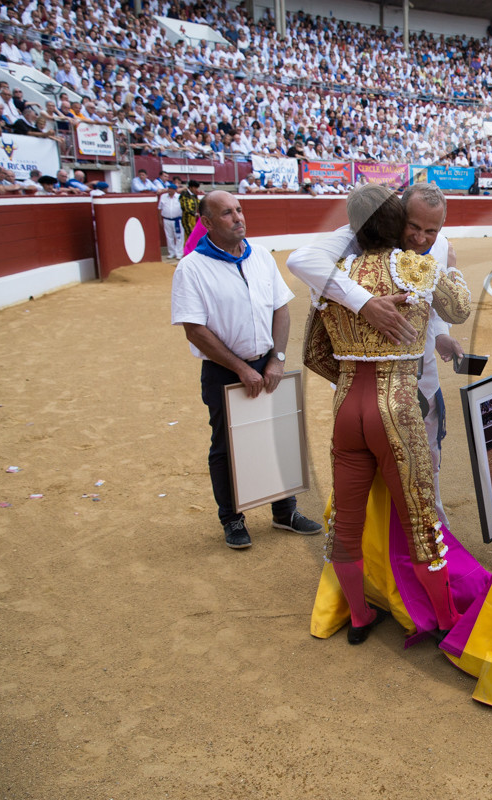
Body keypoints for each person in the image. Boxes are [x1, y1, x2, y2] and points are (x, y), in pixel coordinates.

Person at [315, 182, 472, 643]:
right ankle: (444, 619)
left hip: (347, 404)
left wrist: (350, 371)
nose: (423, 238)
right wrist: (454, 270)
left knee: (346, 522)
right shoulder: (417, 268)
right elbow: (459, 309)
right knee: (421, 521)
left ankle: (360, 615)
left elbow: (314, 350)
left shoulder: (335, 274)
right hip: (398, 404)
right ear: (397, 221)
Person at [287, 182, 463, 526]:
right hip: (368, 379)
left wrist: (440, 334)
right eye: (413, 226)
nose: (422, 238)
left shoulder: (440, 246)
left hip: (422, 373)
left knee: (427, 463)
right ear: (398, 215)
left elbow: (442, 309)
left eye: (432, 230)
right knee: (369, 469)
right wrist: (364, 303)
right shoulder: (361, 234)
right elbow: (300, 259)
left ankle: (432, 530)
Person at [170, 190, 323, 550]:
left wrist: (277, 359)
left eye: (239, 210)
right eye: (227, 213)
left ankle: (285, 511)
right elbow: (195, 329)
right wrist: (241, 368)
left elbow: (281, 309)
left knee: (279, 436)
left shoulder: (261, 257)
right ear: (206, 223)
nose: (238, 218)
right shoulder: (191, 267)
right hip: (224, 370)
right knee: (226, 445)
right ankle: (232, 518)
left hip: (268, 364)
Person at [158, 182, 183, 259]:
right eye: (169, 189)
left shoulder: (179, 197)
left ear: (175, 190)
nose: (170, 190)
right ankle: (171, 252)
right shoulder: (163, 197)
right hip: (167, 219)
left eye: (172, 189)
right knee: (169, 237)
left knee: (179, 237)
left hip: (178, 220)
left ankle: (179, 253)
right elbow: (159, 208)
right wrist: (160, 220)